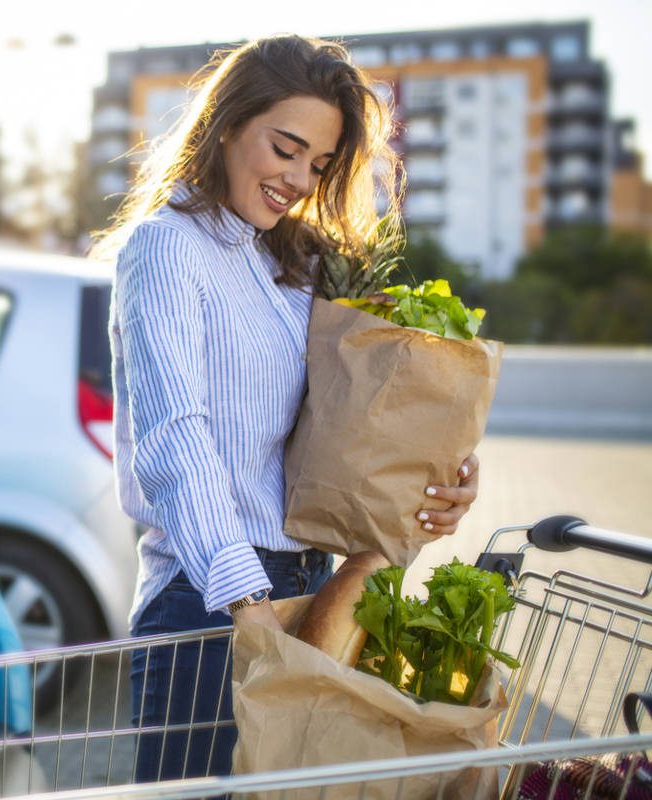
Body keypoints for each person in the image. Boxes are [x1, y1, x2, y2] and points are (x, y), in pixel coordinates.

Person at [99, 33, 480, 783]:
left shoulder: (288, 263)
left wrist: (437, 480)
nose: (299, 178)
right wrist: (249, 605)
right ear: (227, 123)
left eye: (319, 164)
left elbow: (350, 422)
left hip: (311, 590)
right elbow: (176, 438)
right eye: (285, 148)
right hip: (211, 607)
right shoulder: (166, 247)